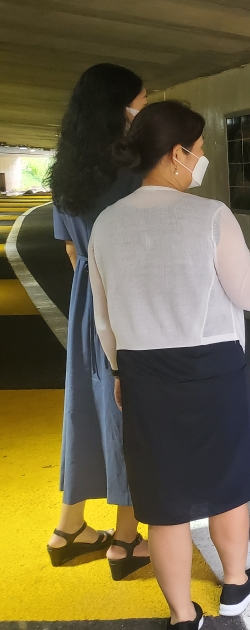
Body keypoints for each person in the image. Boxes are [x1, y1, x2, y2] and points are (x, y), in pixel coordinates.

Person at [89, 100, 250, 629]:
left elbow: (103, 320)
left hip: (144, 372)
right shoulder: (210, 216)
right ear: (176, 155)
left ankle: (180, 615)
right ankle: (235, 585)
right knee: (227, 482)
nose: (202, 159)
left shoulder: (106, 224)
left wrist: (121, 372)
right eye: (198, 150)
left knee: (163, 500)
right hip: (213, 368)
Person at [46, 63, 150, 580]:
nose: (143, 113)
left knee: (83, 411)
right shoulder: (133, 171)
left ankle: (69, 529)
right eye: (140, 103)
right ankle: (126, 540)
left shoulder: (66, 172)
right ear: (120, 110)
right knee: (127, 413)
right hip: (126, 298)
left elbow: (71, 251)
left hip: (87, 295)